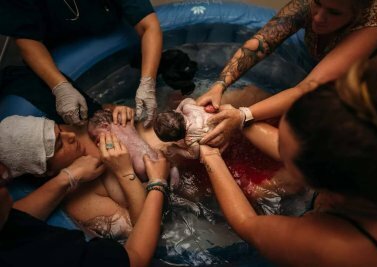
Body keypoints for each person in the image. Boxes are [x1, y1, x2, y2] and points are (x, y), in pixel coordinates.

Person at [198, 49, 377, 266]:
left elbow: (247, 223)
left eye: (283, 152)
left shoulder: (337, 247)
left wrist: (210, 155)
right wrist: (240, 119)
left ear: (316, 180)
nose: (278, 148)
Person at [197, 0, 377, 147]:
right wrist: (219, 85)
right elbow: (261, 43)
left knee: (310, 142)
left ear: (357, 13)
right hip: (325, 76)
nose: (318, 17)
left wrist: (243, 116)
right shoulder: (310, 5)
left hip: (372, 92)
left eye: (334, 12)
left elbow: (309, 87)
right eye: (317, 3)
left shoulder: (372, 28)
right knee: (246, 97)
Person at [0, 128, 170, 267]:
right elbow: (146, 240)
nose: (71, 136)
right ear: (46, 170)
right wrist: (133, 175)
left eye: (60, 129)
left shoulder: (79, 143)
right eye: (59, 144)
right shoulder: (80, 203)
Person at [0, 0, 162, 127]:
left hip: (113, 29)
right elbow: (27, 39)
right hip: (58, 48)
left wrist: (148, 82)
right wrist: (60, 87)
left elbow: (148, 25)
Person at [153, 98, 220, 160]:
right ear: (175, 111)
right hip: (219, 115)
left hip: (221, 136)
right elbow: (189, 100)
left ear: (176, 140)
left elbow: (194, 155)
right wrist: (178, 109)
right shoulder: (187, 107)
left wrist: (176, 150)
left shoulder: (190, 139)